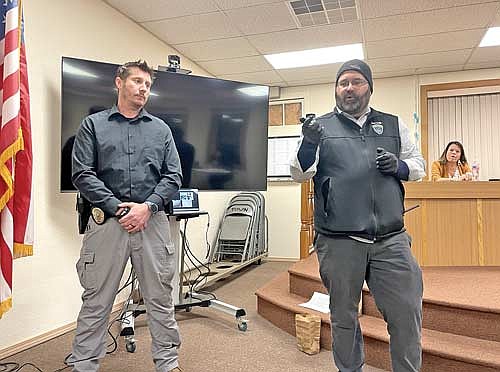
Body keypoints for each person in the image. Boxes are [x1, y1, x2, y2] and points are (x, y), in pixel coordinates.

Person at [290, 59, 426, 372]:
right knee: (344, 317)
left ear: (369, 87)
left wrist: (400, 166)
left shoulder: (393, 124)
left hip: (390, 240)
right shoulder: (320, 127)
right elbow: (299, 172)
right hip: (339, 242)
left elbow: (417, 163)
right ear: (336, 90)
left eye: (356, 81)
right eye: (343, 83)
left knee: (407, 314)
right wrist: (309, 142)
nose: (349, 88)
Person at [68, 60, 183, 372]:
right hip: (107, 224)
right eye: (136, 81)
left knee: (160, 299)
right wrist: (120, 208)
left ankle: (168, 364)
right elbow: (82, 174)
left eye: (147, 84)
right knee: (97, 301)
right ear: (119, 83)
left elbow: (173, 177)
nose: (143, 88)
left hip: (152, 221)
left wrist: (147, 208)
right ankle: (84, 365)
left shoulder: (161, 130)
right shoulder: (93, 125)